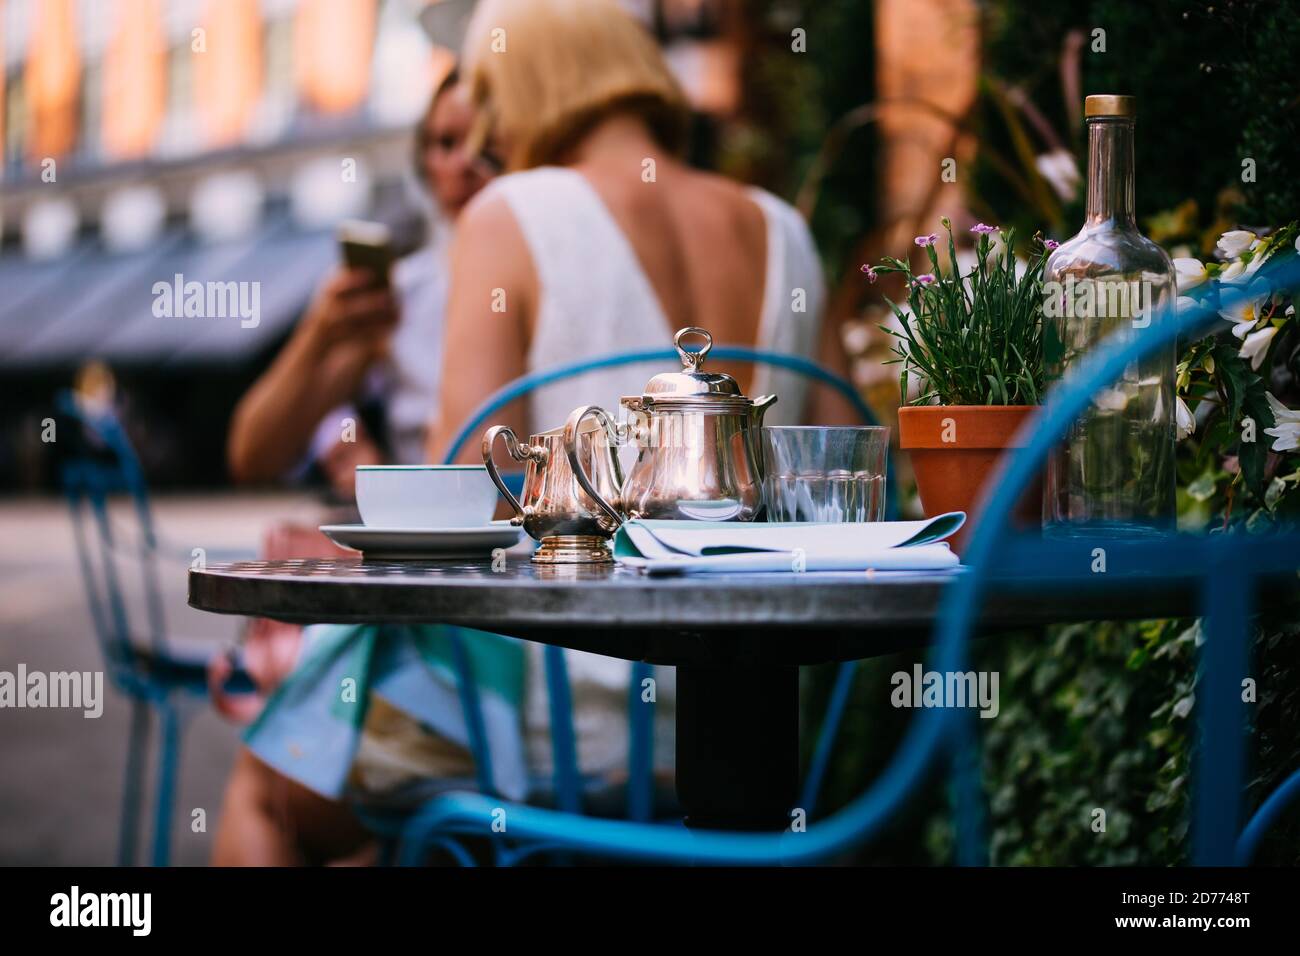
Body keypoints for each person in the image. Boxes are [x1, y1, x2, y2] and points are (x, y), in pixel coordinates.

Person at [227, 70, 491, 493]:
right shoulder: (397, 298)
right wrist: (317, 332)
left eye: (486, 142)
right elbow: (253, 455)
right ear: (424, 163)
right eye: (445, 143)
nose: (464, 163)